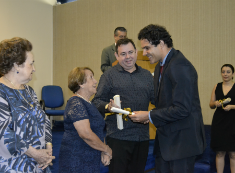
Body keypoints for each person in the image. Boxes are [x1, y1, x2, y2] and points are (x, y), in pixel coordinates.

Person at [129, 24, 206, 173]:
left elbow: (182, 109)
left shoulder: (180, 65)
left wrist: (150, 115)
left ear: (162, 44)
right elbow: (164, 103)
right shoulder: (160, 67)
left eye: (147, 48)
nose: (144, 53)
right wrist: (148, 116)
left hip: (181, 144)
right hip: (166, 143)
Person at [0, 37, 55, 172]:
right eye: (31, 64)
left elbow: (44, 121)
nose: (34, 69)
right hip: (10, 166)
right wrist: (35, 154)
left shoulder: (29, 91)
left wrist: (48, 147)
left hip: (37, 163)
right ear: (16, 65)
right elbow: (3, 134)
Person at [92, 38, 155, 173]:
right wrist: (109, 107)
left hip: (142, 137)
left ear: (136, 52)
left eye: (130, 52)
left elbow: (157, 101)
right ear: (116, 56)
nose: (128, 57)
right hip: (118, 138)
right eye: (123, 54)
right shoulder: (109, 76)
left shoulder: (147, 76)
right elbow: (96, 102)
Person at [59, 67, 112, 173]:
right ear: (80, 83)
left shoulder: (89, 103)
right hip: (76, 159)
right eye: (91, 77)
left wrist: (103, 150)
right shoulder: (76, 103)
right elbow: (86, 134)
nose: (95, 81)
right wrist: (106, 149)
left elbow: (98, 129)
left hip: (90, 157)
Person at [210, 64, 235, 173]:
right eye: (223, 72)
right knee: (220, 152)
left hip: (233, 122)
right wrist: (215, 103)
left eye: (228, 72)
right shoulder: (217, 86)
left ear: (233, 74)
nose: (225, 74)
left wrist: (232, 106)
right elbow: (210, 104)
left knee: (233, 153)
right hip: (219, 122)